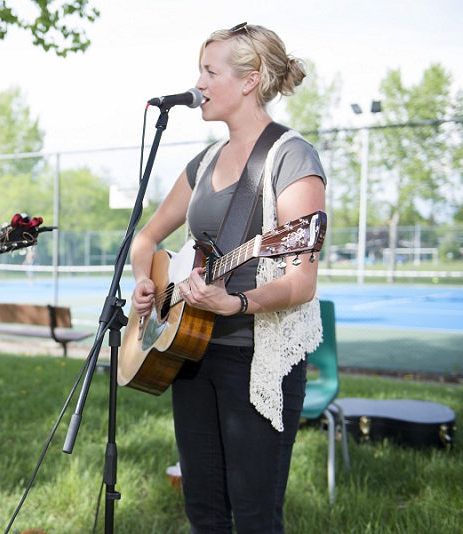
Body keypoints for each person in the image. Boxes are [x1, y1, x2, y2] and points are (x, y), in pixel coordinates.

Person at [129, 24, 326, 533]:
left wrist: (236, 304)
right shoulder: (205, 161)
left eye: (209, 72)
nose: (198, 84)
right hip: (190, 350)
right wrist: (146, 281)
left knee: (256, 517)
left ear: (249, 80)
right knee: (204, 511)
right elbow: (145, 239)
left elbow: (302, 283)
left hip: (255, 355)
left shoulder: (291, 156)